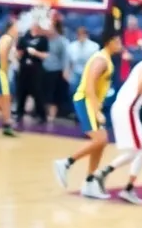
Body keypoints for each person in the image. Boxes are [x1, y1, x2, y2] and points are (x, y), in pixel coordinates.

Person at [97, 41, 142, 205]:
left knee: (141, 151)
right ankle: (104, 176)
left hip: (127, 109)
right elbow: (140, 88)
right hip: (127, 109)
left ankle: (126, 187)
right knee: (138, 150)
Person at [52, 33, 123, 199]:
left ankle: (90, 183)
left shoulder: (106, 58)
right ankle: (66, 163)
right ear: (109, 42)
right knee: (100, 139)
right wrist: (96, 110)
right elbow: (90, 84)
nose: (120, 44)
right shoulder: (101, 60)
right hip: (85, 101)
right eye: (117, 41)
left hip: (91, 102)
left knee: (101, 142)